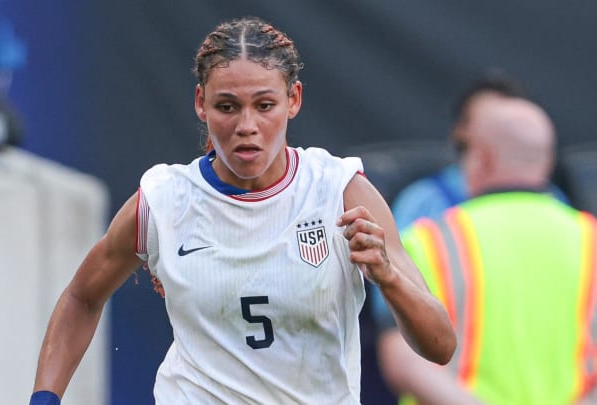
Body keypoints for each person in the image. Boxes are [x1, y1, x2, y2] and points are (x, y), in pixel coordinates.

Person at [29, 16, 455, 405]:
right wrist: (44, 399)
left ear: (294, 100)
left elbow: (440, 347)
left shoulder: (340, 191)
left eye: (264, 105)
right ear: (201, 104)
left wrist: (387, 276)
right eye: (227, 106)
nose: (246, 126)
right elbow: (82, 298)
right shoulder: (162, 201)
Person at [376, 96, 597, 404]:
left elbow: (404, 361)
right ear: (545, 161)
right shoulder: (590, 240)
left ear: (482, 157)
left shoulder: (426, 241)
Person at [389, 73, 569, 230]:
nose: (499, 127)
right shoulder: (423, 201)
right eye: (485, 121)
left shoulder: (555, 200)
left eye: (506, 121)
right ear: (461, 131)